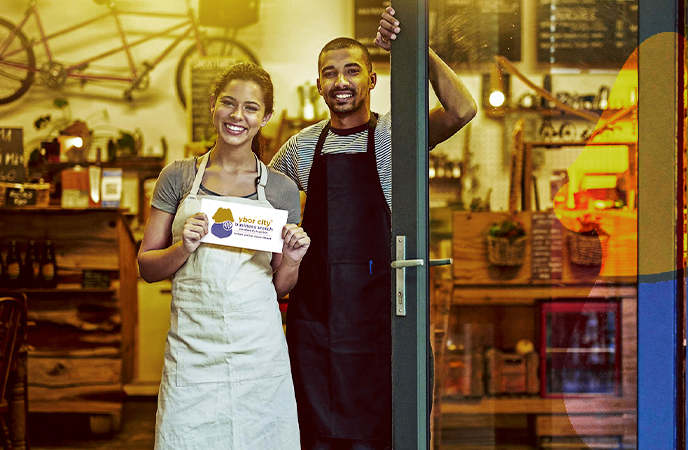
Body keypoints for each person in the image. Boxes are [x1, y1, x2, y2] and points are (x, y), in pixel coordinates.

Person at [270, 7, 477, 450]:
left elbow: (463, 108)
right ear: (319, 84)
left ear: (371, 80)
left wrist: (416, 48)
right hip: (317, 322)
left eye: (351, 71)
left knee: (385, 431)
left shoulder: (398, 135)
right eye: (329, 74)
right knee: (316, 433)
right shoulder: (299, 148)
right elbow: (262, 209)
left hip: (385, 315)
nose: (340, 82)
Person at [138, 62, 310, 450]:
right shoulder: (178, 177)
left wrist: (294, 257)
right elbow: (146, 267)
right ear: (213, 105)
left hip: (258, 353)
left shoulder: (281, 190)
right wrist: (183, 246)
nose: (237, 115)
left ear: (265, 117)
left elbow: (280, 286)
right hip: (193, 350)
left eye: (251, 108)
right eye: (228, 103)